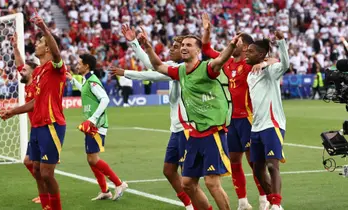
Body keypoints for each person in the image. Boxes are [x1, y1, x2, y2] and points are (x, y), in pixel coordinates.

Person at [140, 31, 241, 210]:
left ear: (198, 50)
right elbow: (158, 66)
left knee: (212, 183)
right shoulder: (180, 71)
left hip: (212, 133)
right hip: (194, 134)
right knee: (187, 183)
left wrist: (231, 46)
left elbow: (219, 61)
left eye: (189, 45)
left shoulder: (207, 68)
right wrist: (148, 48)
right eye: (183, 45)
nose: (184, 48)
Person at [110, 24, 194, 210]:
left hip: (187, 128)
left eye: (175, 47)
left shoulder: (184, 69)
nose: (171, 49)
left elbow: (154, 76)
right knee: (169, 170)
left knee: (188, 177)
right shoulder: (173, 66)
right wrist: (134, 43)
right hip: (177, 128)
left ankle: (196, 205)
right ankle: (189, 205)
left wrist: (127, 73)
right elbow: (153, 66)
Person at [0, 14, 66, 210]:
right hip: (37, 127)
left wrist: (45, 28)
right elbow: (34, 102)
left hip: (52, 124)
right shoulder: (38, 75)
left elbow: (58, 54)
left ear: (48, 48)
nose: (37, 44)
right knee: (35, 168)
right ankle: (46, 206)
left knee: (46, 174)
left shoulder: (55, 68)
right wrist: (12, 111)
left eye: (41, 42)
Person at [201, 13, 271, 210]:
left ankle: (265, 199)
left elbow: (273, 60)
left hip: (249, 119)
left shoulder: (251, 65)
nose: (233, 42)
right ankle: (243, 202)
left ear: (247, 47)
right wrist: (207, 30)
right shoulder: (228, 62)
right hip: (231, 120)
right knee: (234, 162)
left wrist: (263, 63)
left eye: (237, 41)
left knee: (254, 162)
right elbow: (206, 49)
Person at [66, 53, 128, 201]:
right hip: (90, 125)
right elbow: (85, 91)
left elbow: (105, 99)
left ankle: (119, 184)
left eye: (80, 63)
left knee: (93, 158)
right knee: (90, 159)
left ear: (87, 66)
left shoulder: (93, 81)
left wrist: (93, 119)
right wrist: (73, 80)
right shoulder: (88, 82)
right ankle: (105, 191)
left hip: (96, 125)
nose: (77, 65)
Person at [245, 31, 290, 210]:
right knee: (257, 169)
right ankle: (273, 201)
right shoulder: (250, 75)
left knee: (272, 165)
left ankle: (276, 205)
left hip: (273, 124)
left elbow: (284, 64)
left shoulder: (271, 72)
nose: (246, 53)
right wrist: (263, 63)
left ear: (261, 54)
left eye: (251, 51)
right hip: (256, 128)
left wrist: (281, 42)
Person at [10, 32, 42, 204]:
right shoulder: (27, 83)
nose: (20, 71)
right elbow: (20, 64)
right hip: (35, 129)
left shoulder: (37, 83)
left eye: (24, 70)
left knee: (40, 168)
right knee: (30, 163)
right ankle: (43, 193)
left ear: (33, 73)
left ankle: (48, 196)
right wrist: (15, 48)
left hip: (45, 129)